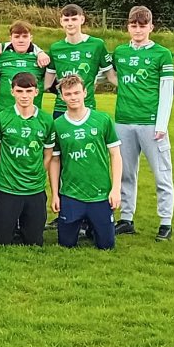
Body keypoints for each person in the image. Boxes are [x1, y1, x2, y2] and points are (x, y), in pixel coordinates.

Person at [106, 5, 174, 242]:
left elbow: (167, 91)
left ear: (151, 27)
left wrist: (161, 124)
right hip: (124, 122)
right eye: (133, 25)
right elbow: (111, 76)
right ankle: (127, 218)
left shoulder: (162, 54)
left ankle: (165, 222)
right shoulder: (121, 53)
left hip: (150, 123)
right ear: (128, 27)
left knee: (161, 174)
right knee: (125, 172)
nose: (137, 30)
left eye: (142, 25)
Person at [49, 74, 123, 250]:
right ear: (61, 96)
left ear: (85, 92)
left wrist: (115, 189)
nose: (73, 97)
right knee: (66, 244)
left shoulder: (102, 120)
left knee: (106, 245)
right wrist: (55, 194)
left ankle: (93, 226)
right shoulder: (57, 125)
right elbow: (55, 160)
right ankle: (83, 224)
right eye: (68, 94)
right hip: (71, 194)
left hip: (100, 193)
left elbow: (115, 155)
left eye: (76, 93)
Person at [0, 72, 56, 246]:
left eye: (28, 91)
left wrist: (40, 172)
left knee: (34, 241)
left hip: (34, 187)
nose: (24, 96)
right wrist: (1, 177)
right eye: (19, 91)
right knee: (1, 241)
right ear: (12, 92)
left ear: (36, 92)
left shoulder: (46, 120)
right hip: (8, 187)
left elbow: (48, 154)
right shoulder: (2, 118)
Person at [44, 4, 113, 119]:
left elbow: (112, 77)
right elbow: (47, 83)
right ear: (61, 21)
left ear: (82, 19)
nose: (70, 23)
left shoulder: (97, 45)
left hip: (87, 106)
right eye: (66, 20)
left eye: (74, 19)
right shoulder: (55, 48)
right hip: (61, 108)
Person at [0, 21, 47, 113]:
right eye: (17, 36)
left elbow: (50, 84)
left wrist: (40, 52)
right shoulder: (0, 54)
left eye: (25, 36)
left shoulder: (42, 59)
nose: (21, 40)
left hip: (32, 114)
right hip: (5, 113)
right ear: (10, 38)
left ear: (31, 38)